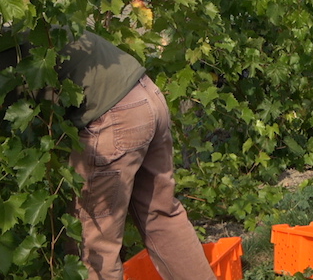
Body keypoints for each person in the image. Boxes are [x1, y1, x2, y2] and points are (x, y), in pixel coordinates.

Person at [0, 26, 215, 280]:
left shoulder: (8, 50)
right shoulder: (26, 30)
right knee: (162, 217)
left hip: (114, 119)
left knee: (93, 249)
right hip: (147, 96)